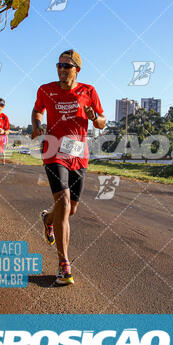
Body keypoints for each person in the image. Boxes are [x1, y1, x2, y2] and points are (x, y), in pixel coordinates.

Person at [32, 50, 106, 286]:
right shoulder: (46, 90)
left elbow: (103, 121)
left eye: (67, 66)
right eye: (59, 65)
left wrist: (95, 117)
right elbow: (37, 111)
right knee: (63, 202)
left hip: (78, 155)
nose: (62, 69)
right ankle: (64, 265)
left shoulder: (89, 91)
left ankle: (48, 220)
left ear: (77, 69)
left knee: (70, 210)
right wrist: (37, 124)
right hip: (54, 152)